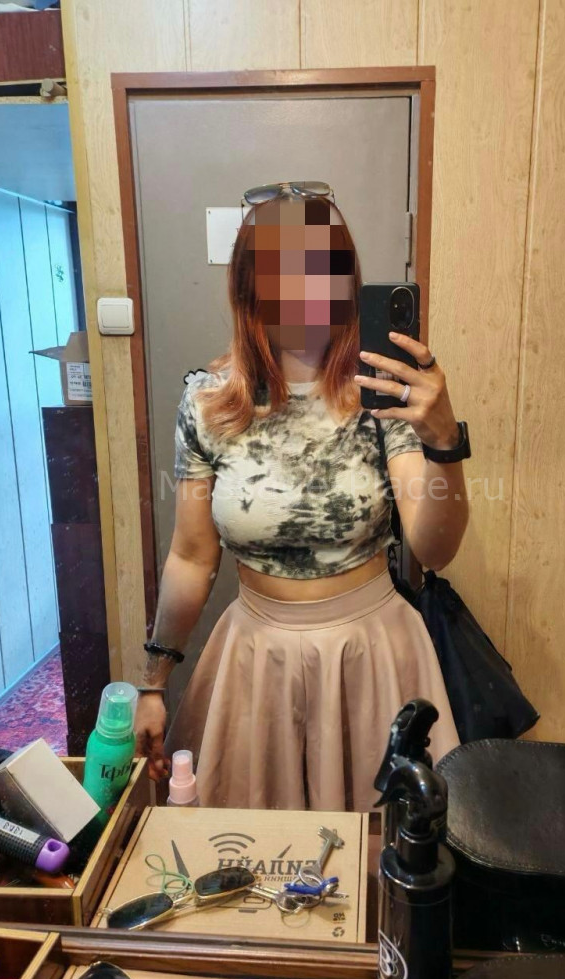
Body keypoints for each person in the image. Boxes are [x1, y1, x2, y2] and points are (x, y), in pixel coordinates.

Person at [134, 181, 469, 811]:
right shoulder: (208, 402)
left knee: (379, 850)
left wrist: (445, 441)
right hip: (254, 659)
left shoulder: (382, 392)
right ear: (248, 284)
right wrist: (153, 682)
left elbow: (435, 548)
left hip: (373, 655)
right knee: (251, 851)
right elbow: (191, 557)